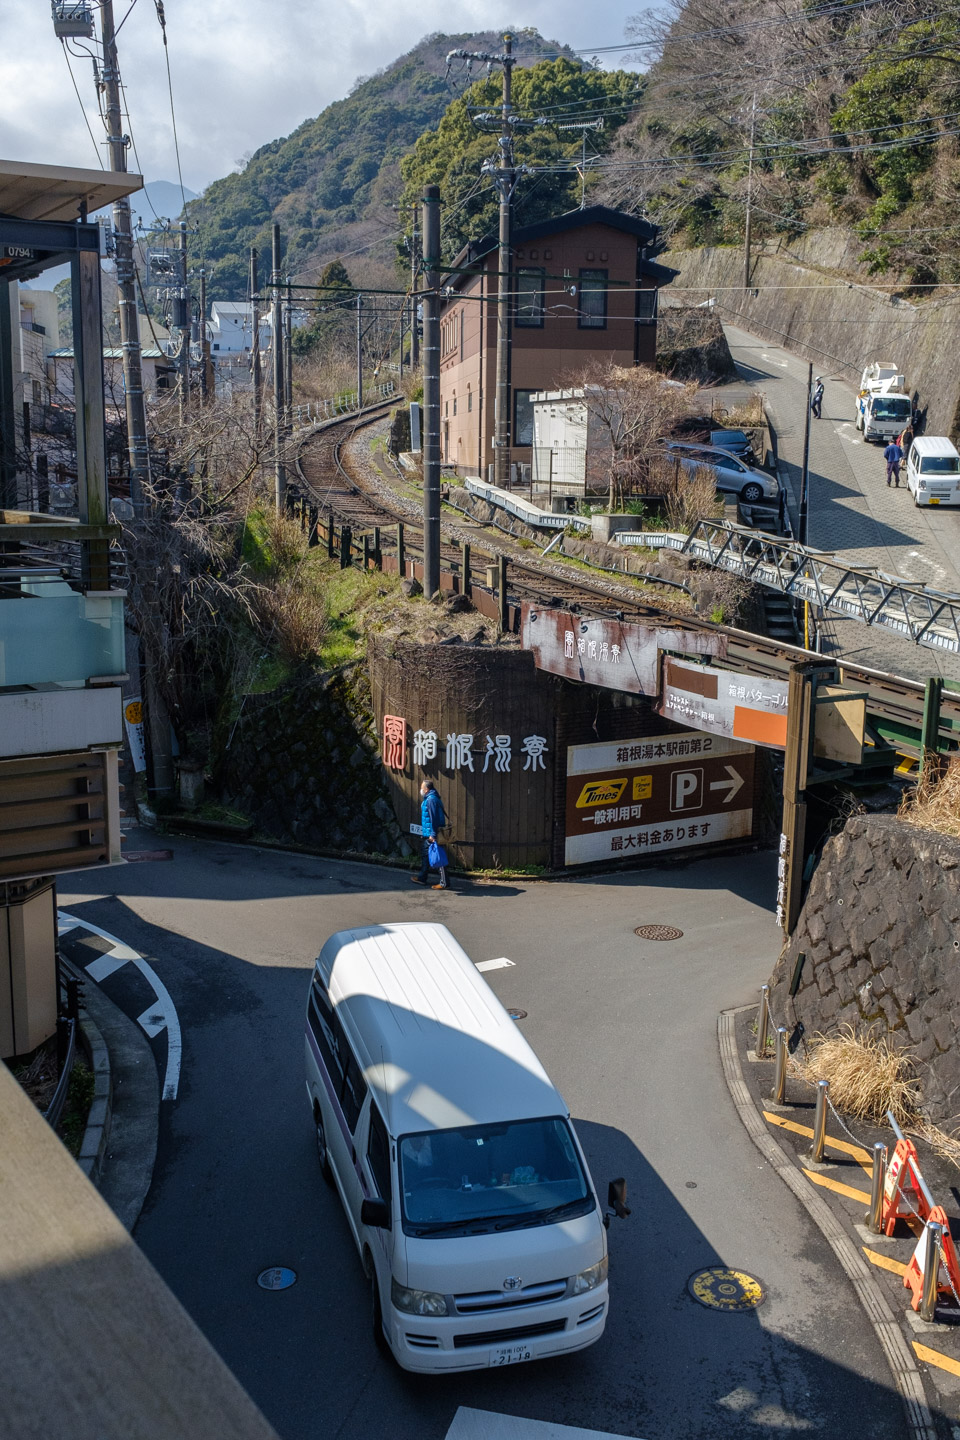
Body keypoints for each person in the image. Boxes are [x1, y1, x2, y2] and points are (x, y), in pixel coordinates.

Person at [412, 778, 448, 889]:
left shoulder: (431, 800)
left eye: (422, 788)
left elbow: (434, 818)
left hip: (433, 834)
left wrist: (433, 834)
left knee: (438, 857)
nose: (421, 790)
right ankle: (422, 877)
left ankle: (444, 882)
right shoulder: (431, 798)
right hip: (429, 833)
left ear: (427, 789)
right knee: (426, 855)